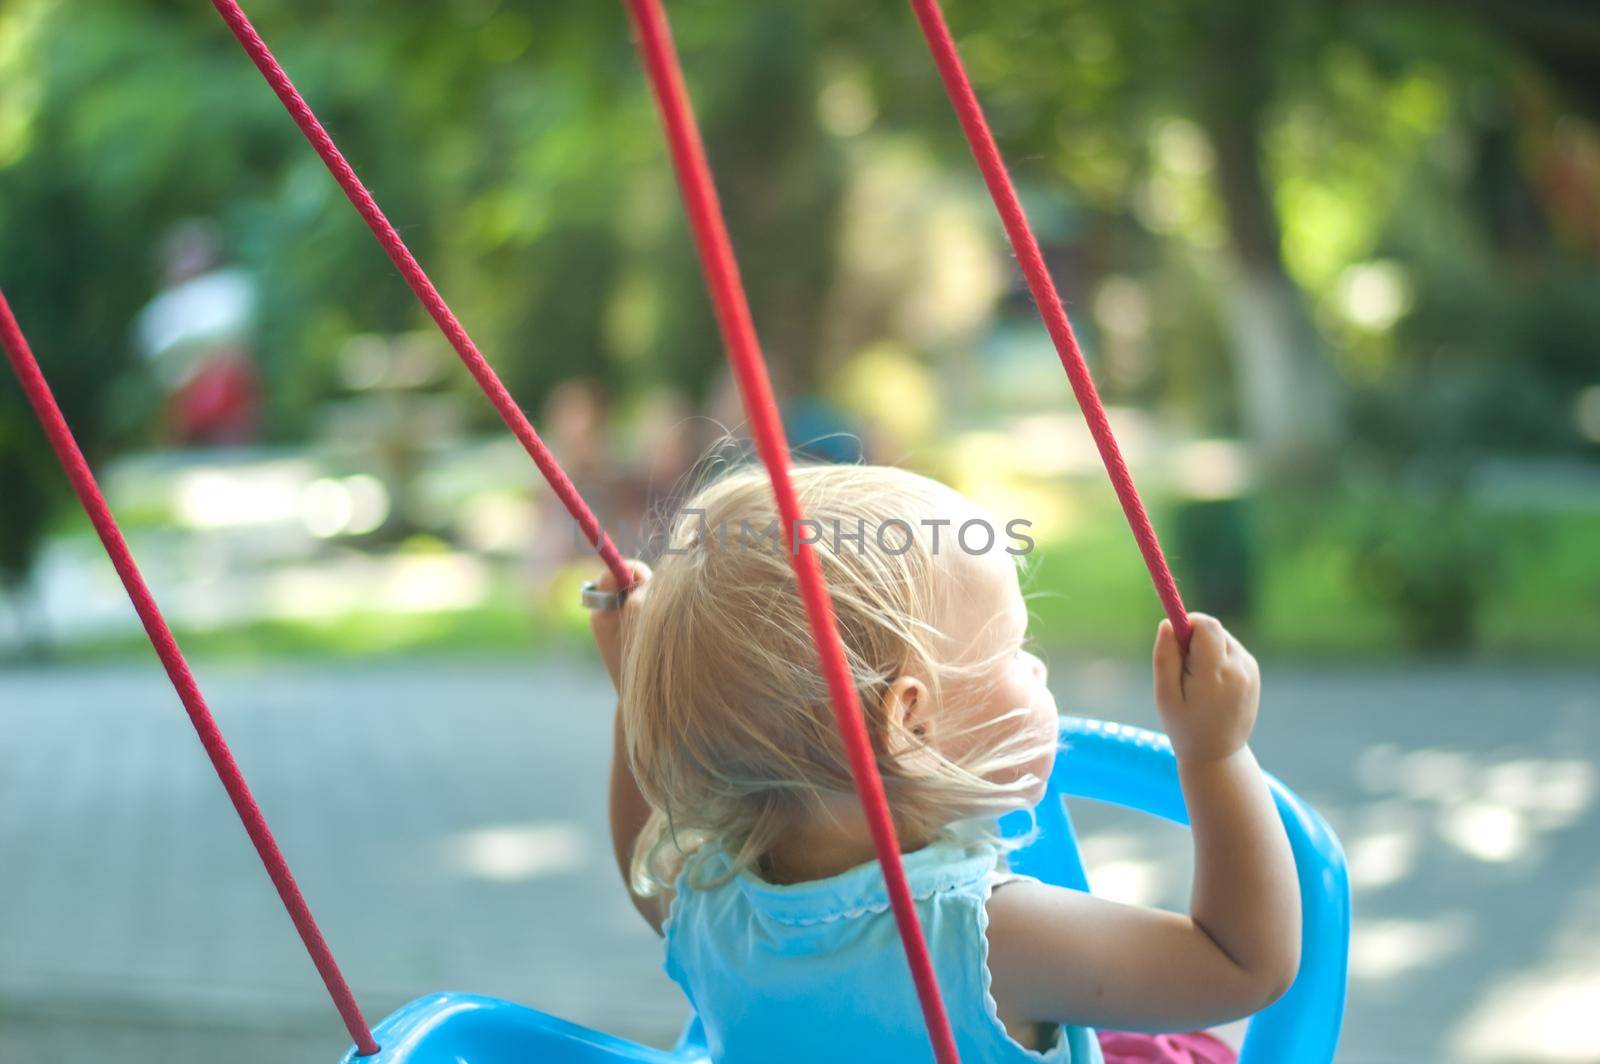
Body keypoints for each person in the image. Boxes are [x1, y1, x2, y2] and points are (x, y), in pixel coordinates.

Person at [588, 464, 1299, 1063]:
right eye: (1013, 653)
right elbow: (1241, 964)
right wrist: (1214, 753)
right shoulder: (984, 940)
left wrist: (635, 699)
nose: (1040, 670)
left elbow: (637, 861)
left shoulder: (713, 902)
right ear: (909, 724)